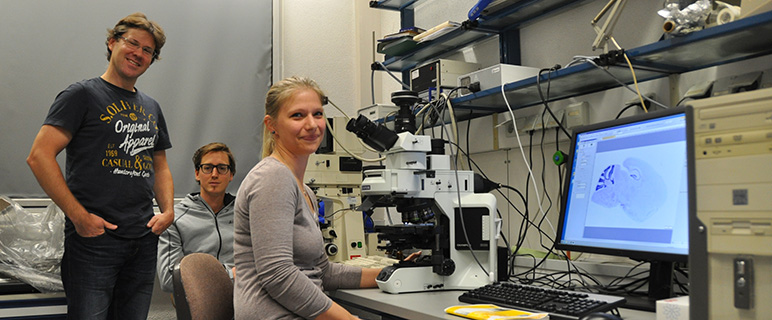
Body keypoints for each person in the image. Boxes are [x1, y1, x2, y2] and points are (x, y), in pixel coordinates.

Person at [26, 12, 173, 319]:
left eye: (148, 50)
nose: (139, 53)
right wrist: (78, 216)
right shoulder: (82, 95)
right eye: (133, 43)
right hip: (95, 242)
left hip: (143, 239)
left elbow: (159, 165)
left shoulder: (151, 107)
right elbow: (39, 156)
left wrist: (168, 211)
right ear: (112, 42)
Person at [234, 76, 381, 319]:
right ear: (272, 125)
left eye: (318, 114)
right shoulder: (272, 178)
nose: (312, 125)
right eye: (297, 116)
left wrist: (390, 274)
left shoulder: (305, 190)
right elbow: (278, 274)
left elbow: (323, 272)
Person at [157, 142, 236, 293]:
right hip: (200, 301)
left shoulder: (246, 214)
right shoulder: (174, 219)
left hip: (243, 298)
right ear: (197, 173)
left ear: (231, 174)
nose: (214, 174)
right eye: (207, 168)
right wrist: (230, 275)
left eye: (222, 168)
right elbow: (169, 279)